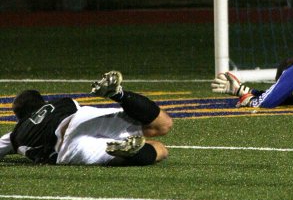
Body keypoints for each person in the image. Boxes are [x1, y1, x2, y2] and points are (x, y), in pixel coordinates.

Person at [0, 71, 172, 166]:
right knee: (162, 124)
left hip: (67, 149)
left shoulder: (15, 135)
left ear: (20, 116)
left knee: (160, 150)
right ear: (41, 102)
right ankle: (119, 94)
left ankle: (131, 153)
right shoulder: (63, 102)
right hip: (78, 118)